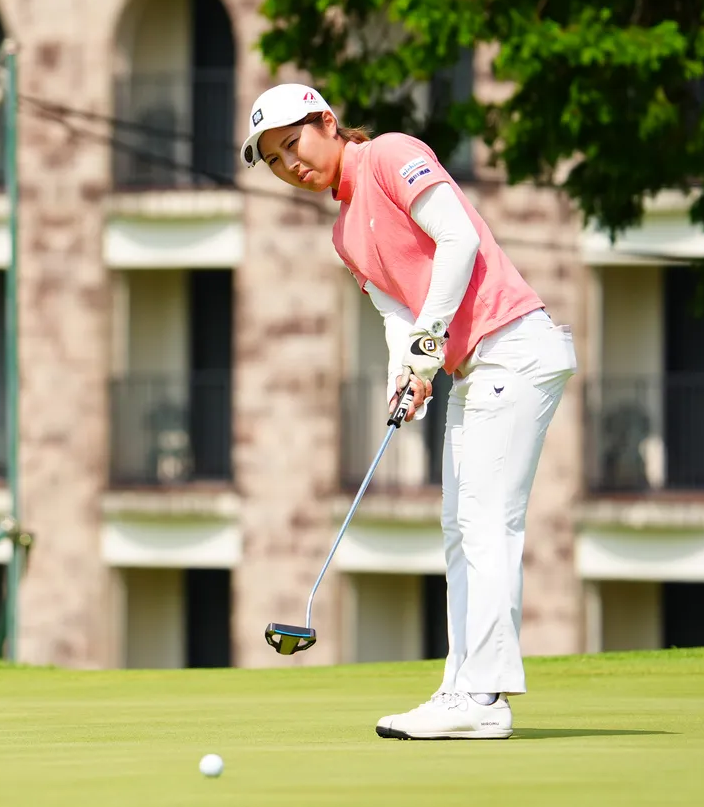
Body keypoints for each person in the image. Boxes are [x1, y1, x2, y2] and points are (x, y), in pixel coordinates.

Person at [239, 83, 578, 740]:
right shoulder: (344, 233)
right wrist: (408, 371)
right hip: (474, 366)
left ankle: (483, 695)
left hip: (513, 346)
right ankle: (462, 686)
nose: (291, 165)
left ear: (327, 121)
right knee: (459, 527)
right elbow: (398, 314)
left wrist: (428, 343)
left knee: (485, 524)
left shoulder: (392, 154)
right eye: (275, 160)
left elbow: (458, 239)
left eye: (293, 144)